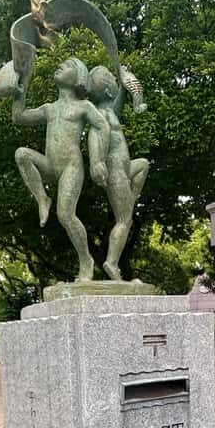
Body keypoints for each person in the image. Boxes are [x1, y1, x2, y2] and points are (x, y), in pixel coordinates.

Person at [6, 57, 110, 282]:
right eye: (61, 63)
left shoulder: (84, 106)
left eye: (69, 65)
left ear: (79, 78)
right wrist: (19, 91)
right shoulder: (49, 109)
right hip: (49, 164)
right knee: (21, 154)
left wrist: (98, 159)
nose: (60, 65)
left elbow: (102, 126)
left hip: (71, 167)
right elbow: (19, 117)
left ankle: (86, 260)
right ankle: (42, 198)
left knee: (65, 214)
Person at [87, 65, 150, 280]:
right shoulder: (99, 115)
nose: (116, 81)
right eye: (112, 80)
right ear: (106, 90)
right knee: (124, 219)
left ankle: (132, 197)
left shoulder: (110, 111)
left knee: (143, 164)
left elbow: (122, 98)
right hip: (114, 168)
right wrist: (96, 161)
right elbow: (95, 137)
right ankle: (112, 263)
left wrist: (125, 84)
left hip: (125, 165)